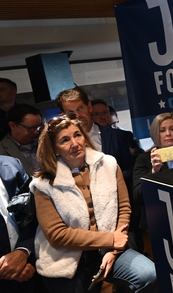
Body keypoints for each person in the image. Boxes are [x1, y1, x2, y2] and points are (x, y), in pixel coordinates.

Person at [30, 115, 157, 292]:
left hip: (110, 249)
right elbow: (57, 235)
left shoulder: (109, 164)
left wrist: (113, 250)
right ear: (54, 149)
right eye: (65, 140)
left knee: (149, 275)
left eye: (77, 135)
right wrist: (110, 239)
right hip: (68, 258)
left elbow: (124, 208)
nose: (75, 143)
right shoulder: (43, 184)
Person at [132, 112, 173, 234]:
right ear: (155, 133)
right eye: (162, 130)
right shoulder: (144, 159)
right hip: (156, 224)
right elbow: (137, 196)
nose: (168, 134)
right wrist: (153, 172)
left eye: (172, 129)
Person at [55, 89, 134, 188]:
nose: (78, 115)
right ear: (63, 115)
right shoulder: (60, 144)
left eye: (80, 108)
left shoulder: (117, 136)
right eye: (71, 112)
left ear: (89, 107)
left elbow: (129, 169)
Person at [0, 155, 37, 293]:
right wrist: (8, 269)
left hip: (27, 270)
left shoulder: (12, 164)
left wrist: (23, 251)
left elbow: (35, 213)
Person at [0, 105, 43, 176]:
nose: (36, 132)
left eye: (38, 127)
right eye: (30, 128)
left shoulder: (46, 143)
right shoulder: (1, 152)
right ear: (12, 125)